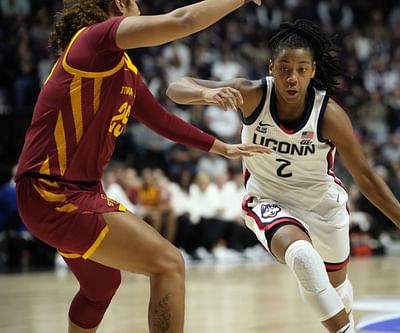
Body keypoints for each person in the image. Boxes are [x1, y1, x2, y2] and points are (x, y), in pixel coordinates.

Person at [14, 0, 269, 332]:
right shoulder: (92, 41)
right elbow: (183, 20)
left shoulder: (124, 71)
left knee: (101, 285)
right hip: (53, 191)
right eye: (136, 3)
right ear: (120, 4)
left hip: (67, 192)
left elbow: (162, 121)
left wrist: (222, 148)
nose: (140, 11)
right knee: (169, 264)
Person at [167, 19, 400, 333]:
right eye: (284, 68)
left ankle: (344, 317)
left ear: (313, 71)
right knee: (303, 258)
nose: (292, 78)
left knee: (336, 292)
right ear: (271, 68)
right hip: (269, 199)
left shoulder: (329, 115)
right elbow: (175, 88)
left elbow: (365, 175)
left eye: (301, 69)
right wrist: (206, 94)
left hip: (324, 207)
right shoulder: (251, 94)